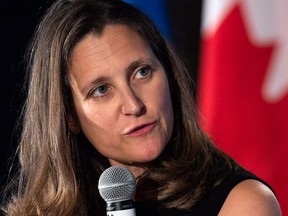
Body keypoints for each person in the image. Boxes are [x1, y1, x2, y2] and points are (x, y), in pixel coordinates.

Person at [1, 0, 281, 215]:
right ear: (69, 117)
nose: (134, 105)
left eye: (142, 72)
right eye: (101, 90)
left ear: (169, 75)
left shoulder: (243, 201)